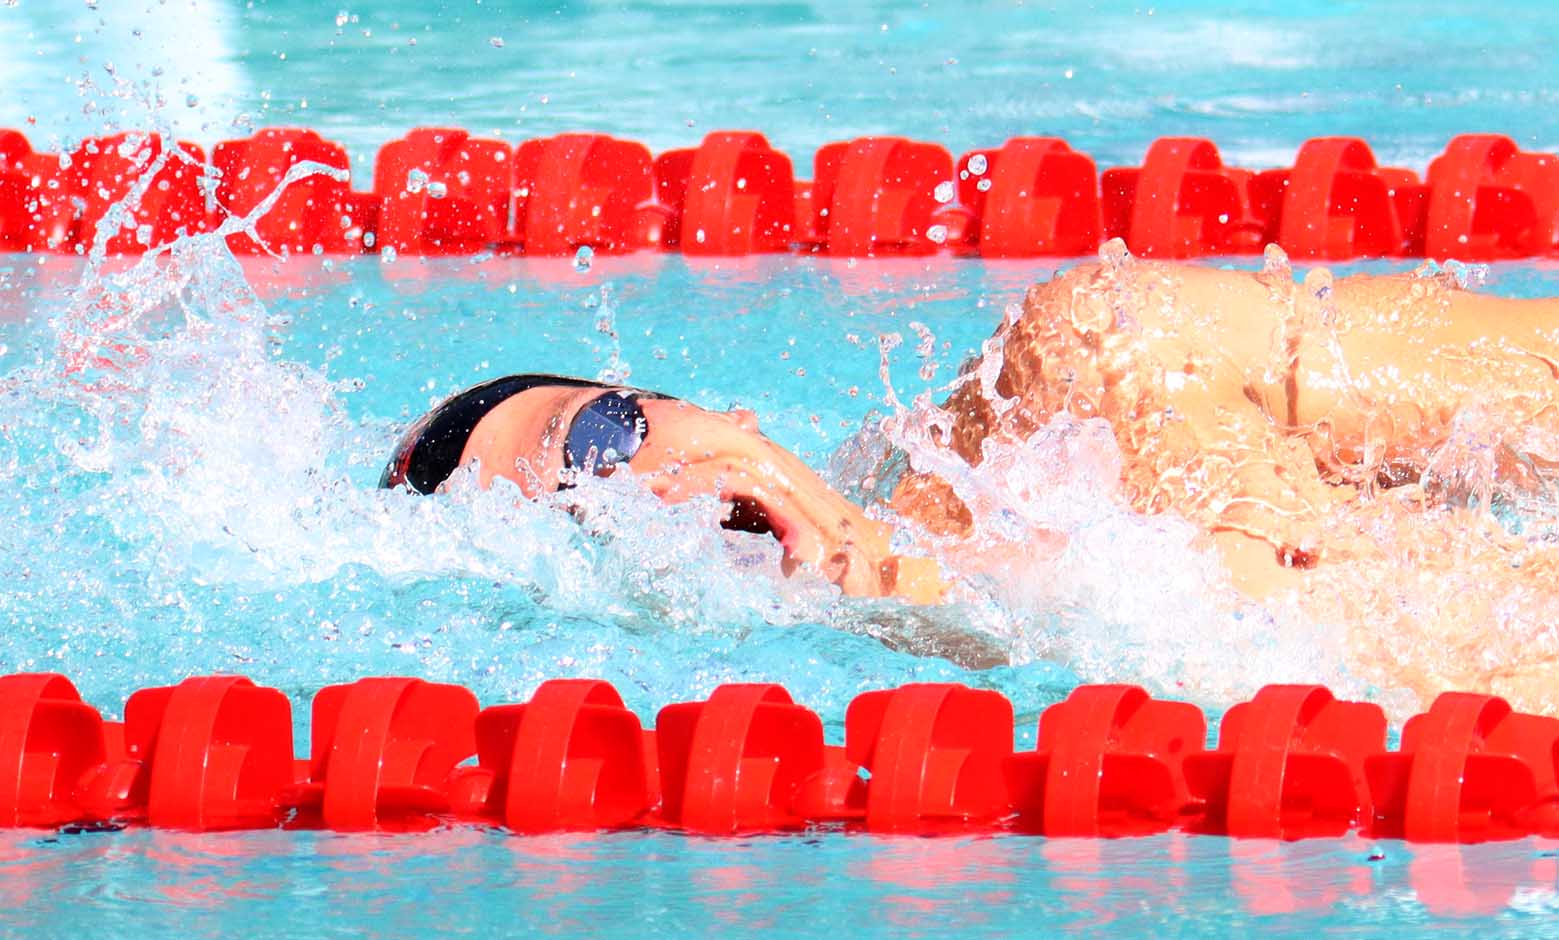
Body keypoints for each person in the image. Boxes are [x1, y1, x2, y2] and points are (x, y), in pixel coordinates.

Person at [384, 245, 1559, 709]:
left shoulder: (1085, 357)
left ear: (717, 412)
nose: (640, 504)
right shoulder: (1057, 672)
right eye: (582, 531)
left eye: (601, 443)